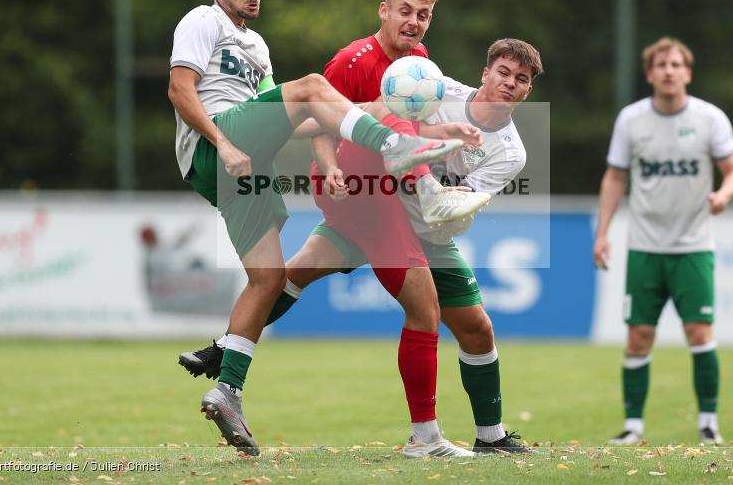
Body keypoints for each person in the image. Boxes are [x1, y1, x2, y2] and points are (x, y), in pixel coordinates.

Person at [181, 37, 545, 456]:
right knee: (410, 309)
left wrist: (436, 186)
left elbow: (454, 206)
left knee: (477, 329)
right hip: (376, 208)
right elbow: (343, 121)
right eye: (503, 72)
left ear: (527, 91)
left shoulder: (511, 152)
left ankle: (491, 436)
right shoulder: (433, 88)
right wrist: (337, 166)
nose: (509, 83)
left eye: (520, 80)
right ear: (486, 73)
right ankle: (425, 439)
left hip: (427, 232)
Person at [168, 0, 462, 456]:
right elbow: (179, 89)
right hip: (219, 148)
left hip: (245, 167)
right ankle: (396, 147)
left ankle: (228, 388)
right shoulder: (203, 20)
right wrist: (224, 142)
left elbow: (299, 120)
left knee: (269, 279)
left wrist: (360, 114)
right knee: (309, 87)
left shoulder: (257, 45)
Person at [592, 37, 733, 446]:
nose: (668, 71)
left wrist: (723, 195)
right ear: (649, 74)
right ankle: (633, 427)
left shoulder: (710, 118)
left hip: (694, 246)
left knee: (699, 331)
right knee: (638, 336)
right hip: (644, 247)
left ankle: (709, 423)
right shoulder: (631, 120)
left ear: (688, 73)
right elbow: (615, 176)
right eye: (661, 65)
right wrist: (603, 231)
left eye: (676, 64)